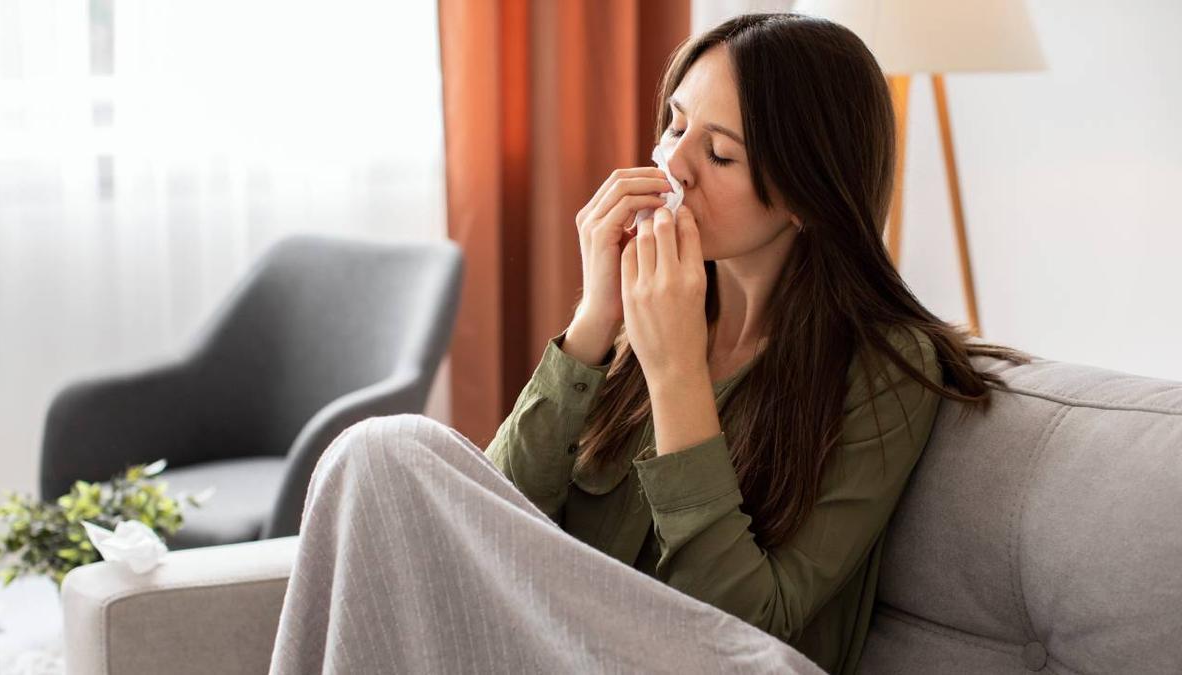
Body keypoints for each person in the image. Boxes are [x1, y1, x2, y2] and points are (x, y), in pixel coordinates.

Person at [268, 12, 1032, 675]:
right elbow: (496, 519)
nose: (672, 165)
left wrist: (677, 381)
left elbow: (746, 630)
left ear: (806, 195)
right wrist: (595, 322)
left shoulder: (885, 369)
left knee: (387, 447)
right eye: (674, 125)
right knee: (379, 451)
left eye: (720, 153)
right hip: (562, 643)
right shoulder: (657, 308)